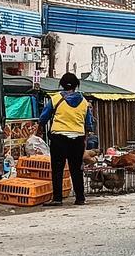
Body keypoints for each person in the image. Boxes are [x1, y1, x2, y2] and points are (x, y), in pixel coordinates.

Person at [39, 72, 97, 206]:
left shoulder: (56, 98)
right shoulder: (84, 102)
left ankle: (58, 198)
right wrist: (85, 138)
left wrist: (40, 127)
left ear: (62, 85)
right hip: (77, 139)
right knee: (76, 169)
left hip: (59, 138)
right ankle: (80, 198)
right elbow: (88, 123)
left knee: (58, 168)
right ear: (76, 85)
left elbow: (44, 116)